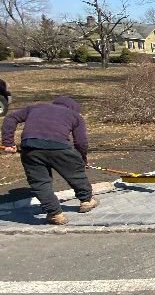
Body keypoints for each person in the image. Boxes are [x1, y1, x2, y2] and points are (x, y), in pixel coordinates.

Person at [2, 96, 98, 225]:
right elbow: (81, 143)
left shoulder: (36, 107)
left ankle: (55, 214)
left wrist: (8, 142)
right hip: (60, 148)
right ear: (73, 109)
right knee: (76, 175)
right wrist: (82, 159)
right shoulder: (75, 116)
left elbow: (11, 118)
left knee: (40, 182)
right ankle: (86, 200)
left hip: (31, 148)